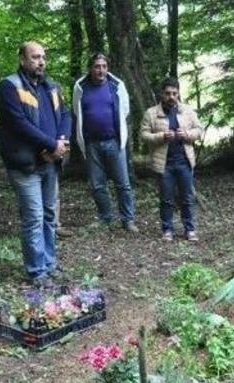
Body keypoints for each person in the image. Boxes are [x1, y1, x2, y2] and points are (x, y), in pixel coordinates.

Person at [0, 41, 71, 286]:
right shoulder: (9, 86)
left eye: (43, 57)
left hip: (50, 162)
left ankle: (49, 263)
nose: (41, 62)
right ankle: (36, 270)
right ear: (22, 59)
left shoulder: (51, 86)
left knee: (49, 214)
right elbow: (18, 123)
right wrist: (50, 145)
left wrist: (61, 140)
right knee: (34, 216)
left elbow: (66, 115)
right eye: (35, 57)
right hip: (25, 164)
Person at [72, 53, 137, 231]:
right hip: (92, 143)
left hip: (114, 141)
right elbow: (77, 112)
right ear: (90, 68)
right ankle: (105, 218)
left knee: (123, 183)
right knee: (97, 184)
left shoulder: (116, 86)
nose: (100, 70)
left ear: (107, 68)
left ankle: (128, 219)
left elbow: (125, 110)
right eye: (97, 66)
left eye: (104, 66)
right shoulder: (80, 87)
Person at [140, 78, 202, 242]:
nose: (171, 96)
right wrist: (162, 136)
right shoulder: (151, 113)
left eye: (174, 93)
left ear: (178, 93)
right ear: (162, 94)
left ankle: (190, 229)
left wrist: (187, 135)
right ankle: (167, 229)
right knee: (166, 198)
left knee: (187, 197)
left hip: (184, 161)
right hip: (163, 163)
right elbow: (144, 135)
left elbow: (198, 130)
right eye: (167, 93)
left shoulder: (187, 111)